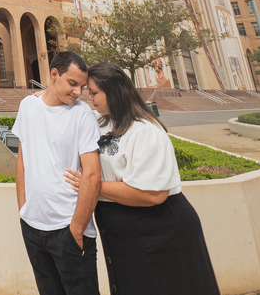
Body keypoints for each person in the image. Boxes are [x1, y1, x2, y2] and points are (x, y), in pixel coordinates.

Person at [65, 62, 220, 295]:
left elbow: (153, 194)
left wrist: (93, 185)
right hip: (122, 230)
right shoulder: (101, 120)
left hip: (159, 228)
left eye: (94, 92)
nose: (89, 98)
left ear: (115, 92)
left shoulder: (145, 130)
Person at [13, 50, 102, 295]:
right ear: (54, 74)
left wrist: (76, 230)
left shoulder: (82, 114)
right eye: (72, 84)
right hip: (33, 227)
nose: (78, 92)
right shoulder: (28, 105)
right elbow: (22, 160)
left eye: (82, 87)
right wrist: (23, 209)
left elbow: (93, 175)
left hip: (68, 228)